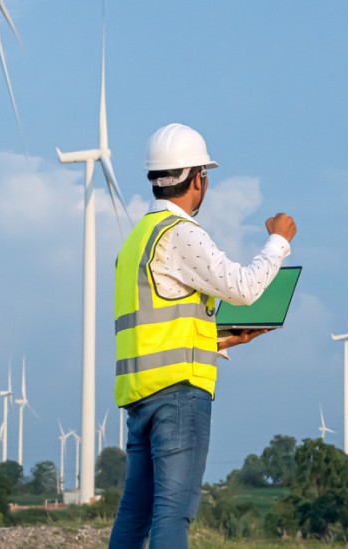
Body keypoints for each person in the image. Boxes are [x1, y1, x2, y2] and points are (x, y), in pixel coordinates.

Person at [109, 123, 297, 548]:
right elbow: (245, 288)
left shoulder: (135, 242)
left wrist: (226, 340)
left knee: (134, 516)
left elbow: (157, 331)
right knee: (173, 514)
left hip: (141, 400)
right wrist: (278, 242)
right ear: (198, 179)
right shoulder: (180, 234)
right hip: (179, 399)